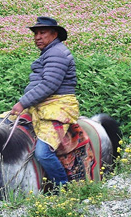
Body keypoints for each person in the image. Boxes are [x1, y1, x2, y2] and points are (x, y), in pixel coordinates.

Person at [10, 17, 80, 191]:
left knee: (43, 152)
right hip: (42, 104)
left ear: (54, 34)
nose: (37, 37)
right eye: (35, 34)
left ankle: (64, 188)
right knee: (4, 125)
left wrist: (22, 103)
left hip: (58, 105)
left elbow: (49, 84)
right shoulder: (49, 52)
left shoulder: (57, 53)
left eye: (42, 33)